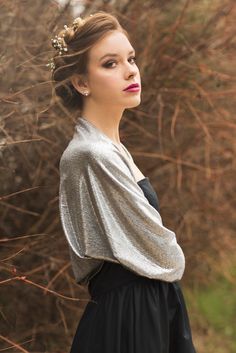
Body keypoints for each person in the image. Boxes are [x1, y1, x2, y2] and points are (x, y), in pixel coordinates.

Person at [50, 10, 197, 353]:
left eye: (130, 58)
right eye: (110, 63)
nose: (131, 70)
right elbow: (164, 253)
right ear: (81, 82)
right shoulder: (90, 154)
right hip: (129, 319)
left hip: (150, 305)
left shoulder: (111, 149)